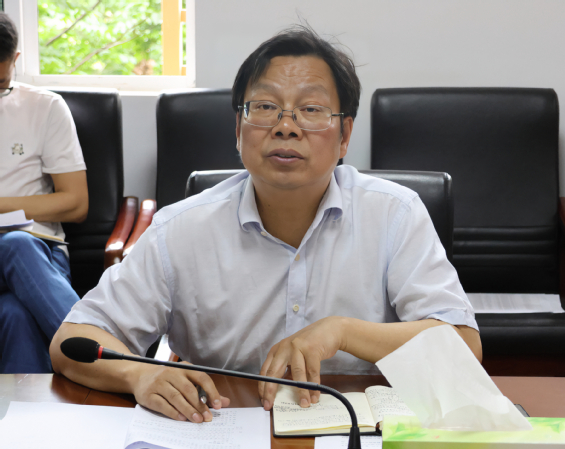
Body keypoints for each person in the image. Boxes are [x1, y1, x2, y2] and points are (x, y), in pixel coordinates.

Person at [50, 26, 481, 424]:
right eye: (266, 107)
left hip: (361, 438)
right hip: (219, 431)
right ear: (238, 128)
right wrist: (139, 375)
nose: (286, 127)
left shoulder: (394, 214)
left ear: (345, 135)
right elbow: (72, 339)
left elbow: (464, 347)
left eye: (311, 109)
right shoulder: (180, 229)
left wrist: (343, 331)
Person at [0, 13, 88, 373]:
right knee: (15, 244)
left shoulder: (45, 107)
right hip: (24, 249)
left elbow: (76, 203)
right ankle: (116, 362)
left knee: (15, 313)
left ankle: (25, 422)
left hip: (38, 254)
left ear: (15, 60)